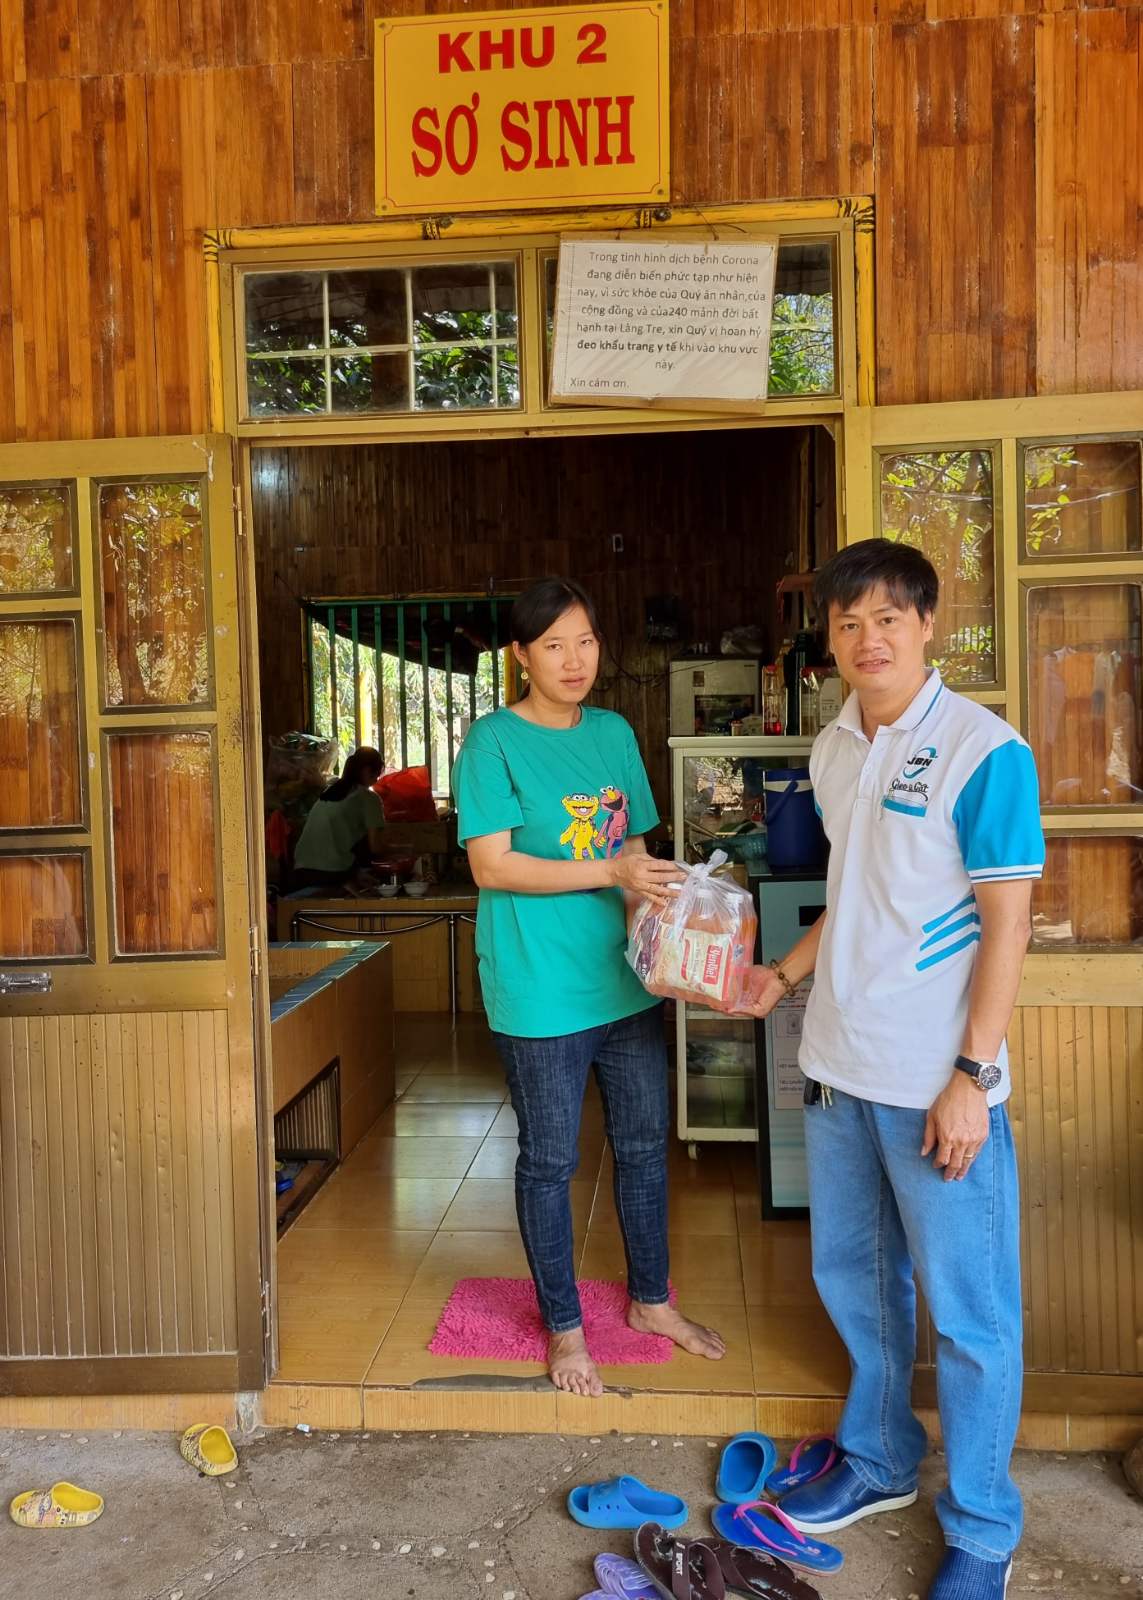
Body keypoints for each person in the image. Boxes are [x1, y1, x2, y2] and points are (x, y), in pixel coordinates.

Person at [740, 540, 1043, 1600]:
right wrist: (783, 974)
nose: (867, 639)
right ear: (827, 640)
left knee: (969, 1317)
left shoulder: (983, 750)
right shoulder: (832, 747)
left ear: (927, 626)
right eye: (847, 623)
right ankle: (876, 1460)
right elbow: (856, 895)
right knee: (857, 1283)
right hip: (837, 1064)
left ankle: (983, 1530)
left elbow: (1008, 926)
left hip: (934, 1083)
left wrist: (972, 1074)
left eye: (887, 618)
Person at [453, 577, 727, 1398]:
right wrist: (609, 871)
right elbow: (492, 864)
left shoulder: (611, 732)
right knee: (549, 1161)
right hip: (539, 988)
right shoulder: (492, 741)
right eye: (553, 646)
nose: (574, 660)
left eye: (585, 641)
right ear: (520, 656)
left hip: (624, 981)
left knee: (643, 1147)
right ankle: (565, 1330)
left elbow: (633, 849)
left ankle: (651, 1302)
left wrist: (676, 932)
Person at [293, 746, 385, 889]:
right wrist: (399, 851)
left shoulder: (331, 790)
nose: (376, 781)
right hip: (332, 872)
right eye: (377, 775)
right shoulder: (369, 798)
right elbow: (375, 847)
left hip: (301, 870)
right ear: (367, 771)